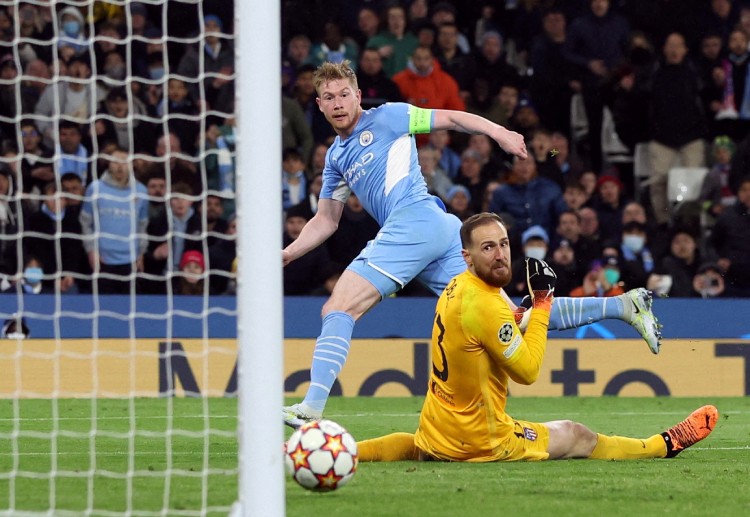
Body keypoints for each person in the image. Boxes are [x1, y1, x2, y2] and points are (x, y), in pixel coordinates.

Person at [282, 61, 661, 429]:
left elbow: (453, 117)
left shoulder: (389, 117)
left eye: (343, 94)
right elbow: (326, 220)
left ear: (358, 95)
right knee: (513, 318)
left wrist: (499, 133)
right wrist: (286, 254)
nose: (337, 103)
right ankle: (625, 305)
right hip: (442, 233)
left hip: (415, 221)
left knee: (338, 307)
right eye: (328, 97)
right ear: (318, 104)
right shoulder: (335, 157)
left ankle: (311, 408)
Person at [355, 213, 717, 463]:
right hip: (483, 440)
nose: (500, 255)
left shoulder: (460, 286)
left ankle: (347, 451)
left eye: (503, 244)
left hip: (437, 427)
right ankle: (663, 445)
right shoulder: (485, 304)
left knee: (420, 446)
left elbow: (504, 325)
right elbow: (527, 371)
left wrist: (536, 312)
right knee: (577, 435)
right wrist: (542, 303)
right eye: (488, 248)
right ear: (466, 256)